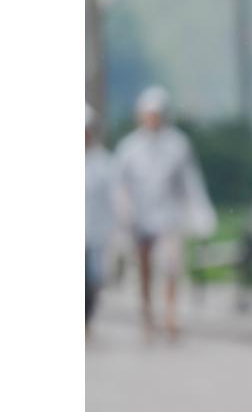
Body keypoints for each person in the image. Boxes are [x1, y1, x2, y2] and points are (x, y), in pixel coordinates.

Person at [115, 86, 215, 339]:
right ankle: (147, 311)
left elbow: (190, 183)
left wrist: (200, 213)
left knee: (171, 266)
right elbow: (119, 185)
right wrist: (123, 212)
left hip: (169, 215)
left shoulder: (178, 145)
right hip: (140, 216)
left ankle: (170, 312)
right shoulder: (129, 148)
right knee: (144, 266)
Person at [85, 104, 117, 337]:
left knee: (92, 280)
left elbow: (114, 199)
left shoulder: (104, 163)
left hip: (96, 231)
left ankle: (87, 320)